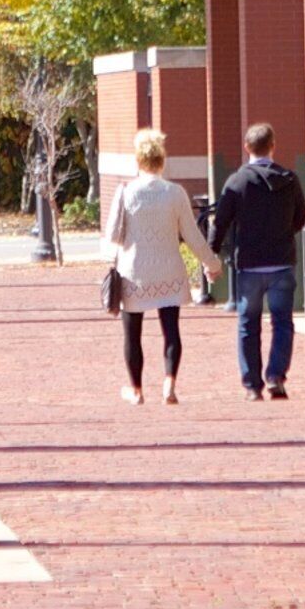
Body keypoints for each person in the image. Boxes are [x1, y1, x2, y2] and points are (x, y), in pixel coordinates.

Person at [100, 129, 212, 405]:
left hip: (134, 271)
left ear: (138, 161)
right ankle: (169, 383)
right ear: (162, 160)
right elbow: (192, 233)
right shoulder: (175, 193)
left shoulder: (125, 192)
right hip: (168, 269)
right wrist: (211, 263)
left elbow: (113, 234)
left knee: (132, 333)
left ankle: (136, 390)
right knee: (171, 329)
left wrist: (109, 257)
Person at [211, 120, 305, 400]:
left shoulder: (237, 181)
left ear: (246, 148)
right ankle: (276, 376)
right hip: (281, 262)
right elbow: (300, 217)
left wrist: (212, 256)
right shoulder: (289, 179)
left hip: (250, 265)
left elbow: (221, 222)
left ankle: (252, 385)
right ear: (273, 146)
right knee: (282, 322)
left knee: (248, 324)